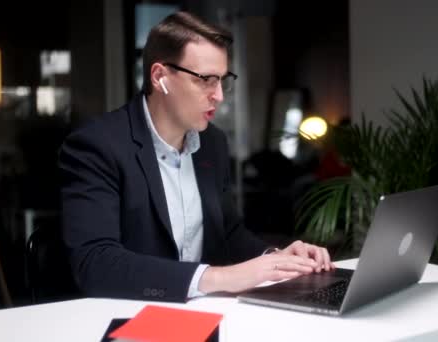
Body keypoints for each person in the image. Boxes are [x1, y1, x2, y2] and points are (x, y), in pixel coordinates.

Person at [58, 11, 333, 303]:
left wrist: (277, 259)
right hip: (129, 316)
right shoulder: (96, 146)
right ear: (160, 77)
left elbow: (227, 233)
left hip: (201, 314)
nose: (218, 96)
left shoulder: (212, 143)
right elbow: (96, 264)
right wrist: (222, 277)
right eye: (206, 80)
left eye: (222, 81)